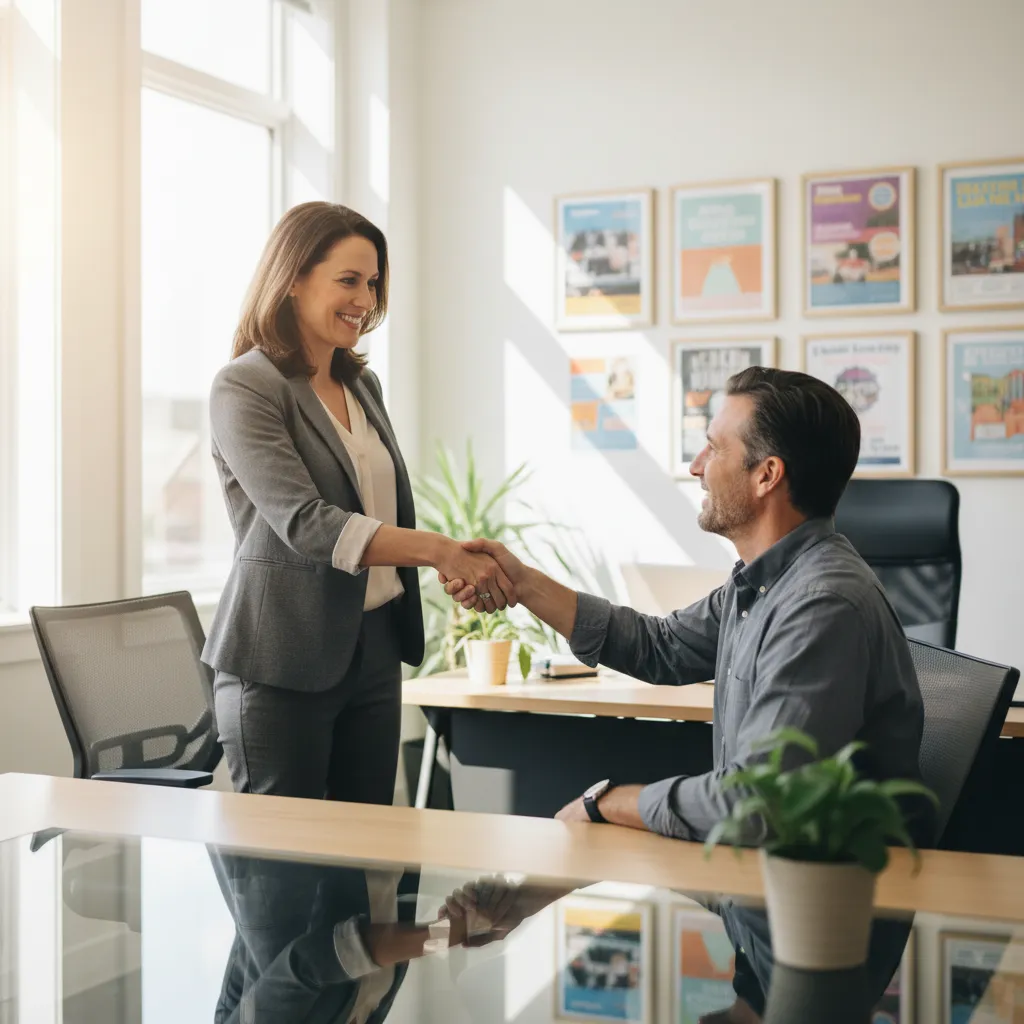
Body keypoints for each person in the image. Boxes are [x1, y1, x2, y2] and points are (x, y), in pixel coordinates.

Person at [440, 366, 933, 1022]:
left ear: (767, 475)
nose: (697, 464)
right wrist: (524, 582)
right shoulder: (760, 585)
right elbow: (656, 646)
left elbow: (760, 804)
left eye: (713, 446)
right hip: (760, 912)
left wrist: (609, 801)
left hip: (815, 939)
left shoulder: (821, 603)